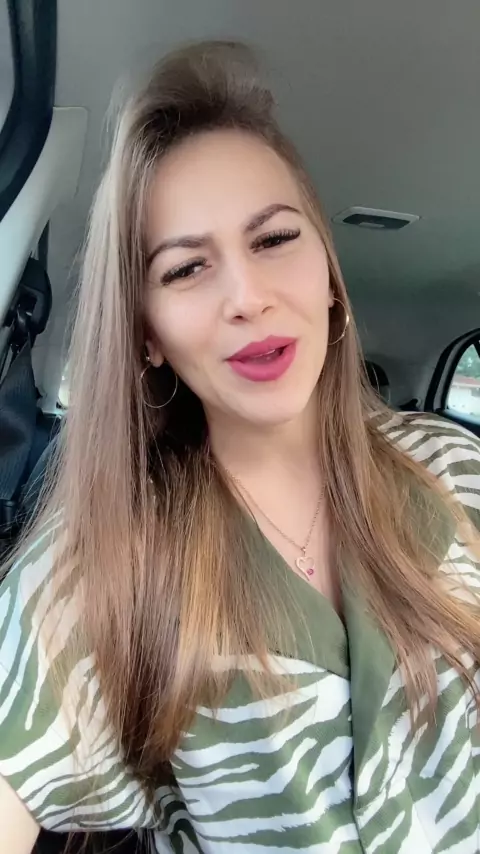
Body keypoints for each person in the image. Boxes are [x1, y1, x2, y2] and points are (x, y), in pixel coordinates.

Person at [1, 40, 480, 854]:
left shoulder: (455, 471)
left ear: (329, 276)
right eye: (186, 269)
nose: (247, 297)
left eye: (274, 239)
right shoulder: (106, 559)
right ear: (148, 334)